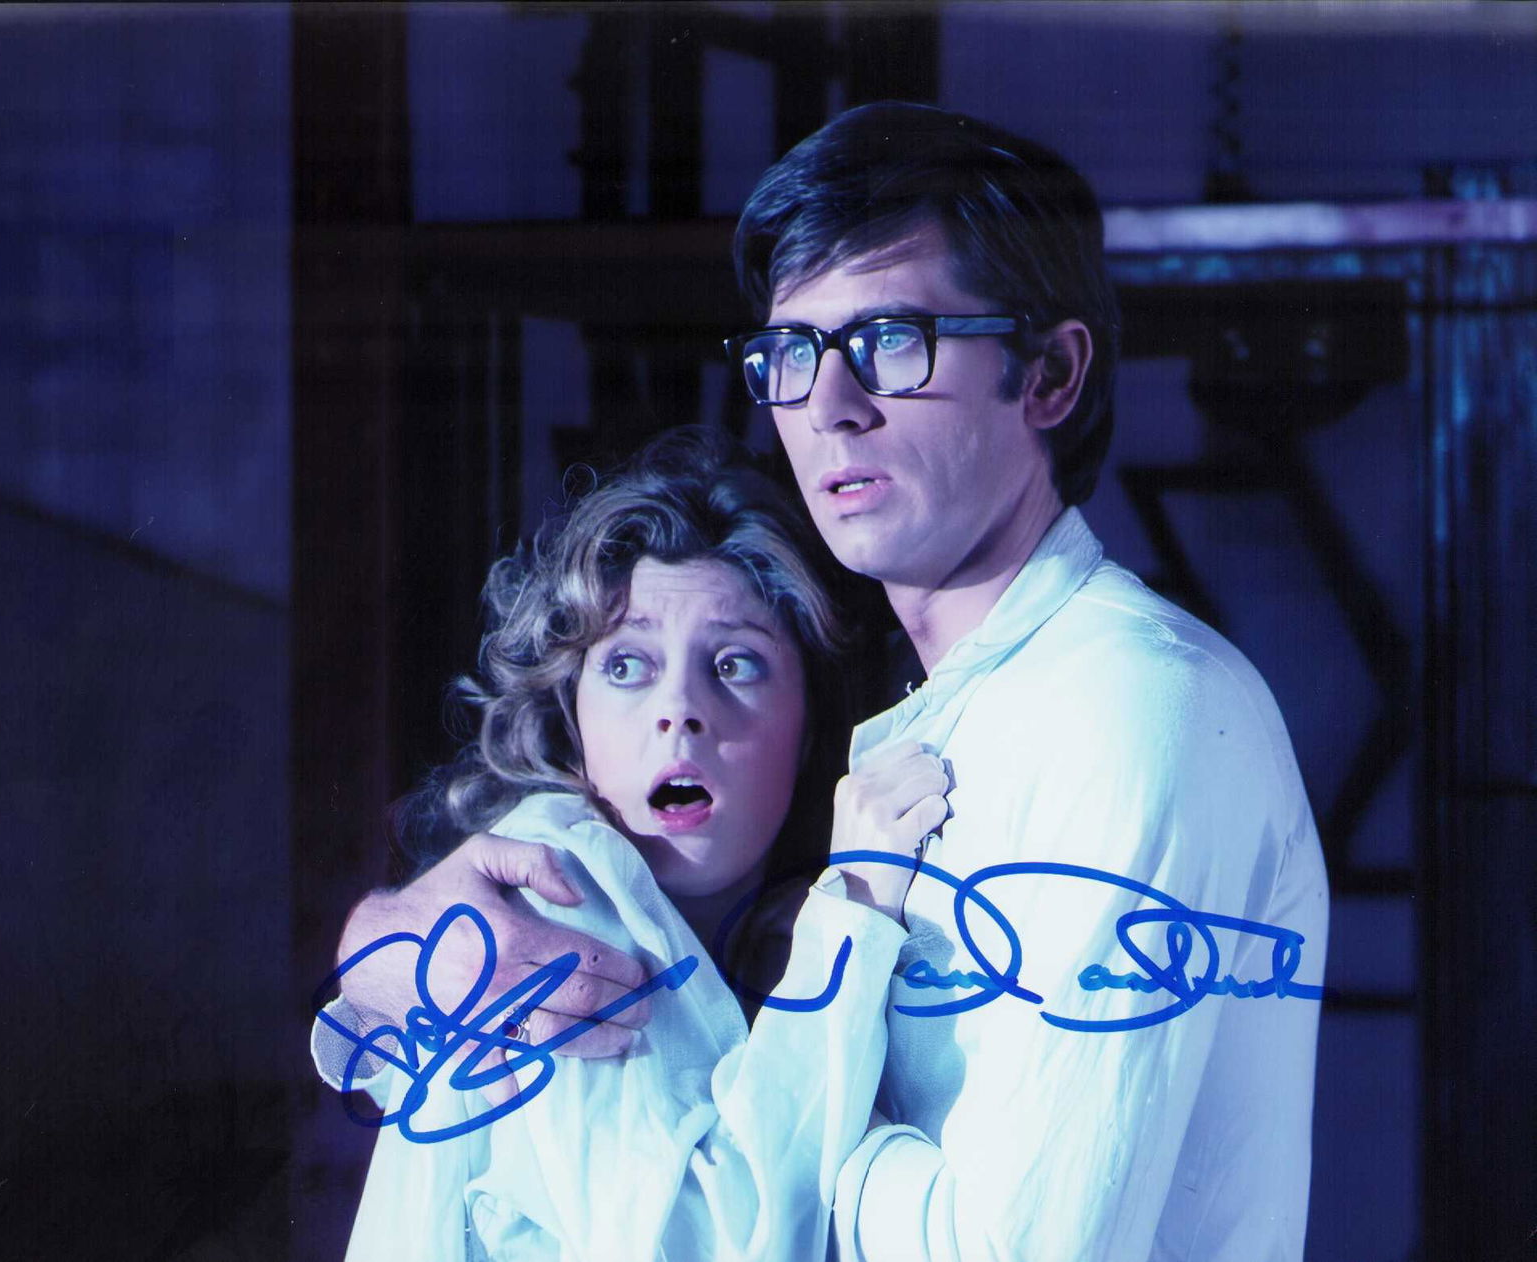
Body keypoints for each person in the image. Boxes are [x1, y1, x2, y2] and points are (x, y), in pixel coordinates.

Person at [328, 102, 1328, 1261]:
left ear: (1048, 374)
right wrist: (380, 942)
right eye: (792, 354)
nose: (829, 406)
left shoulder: (1122, 705)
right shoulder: (916, 737)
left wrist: (795, 1134)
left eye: (893, 340)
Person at [319, 428, 948, 1261]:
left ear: (808, 729)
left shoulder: (761, 932)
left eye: (736, 664)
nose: (679, 709)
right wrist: (857, 916)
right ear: (572, 718)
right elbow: (703, 1241)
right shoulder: (557, 881)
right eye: (626, 666)